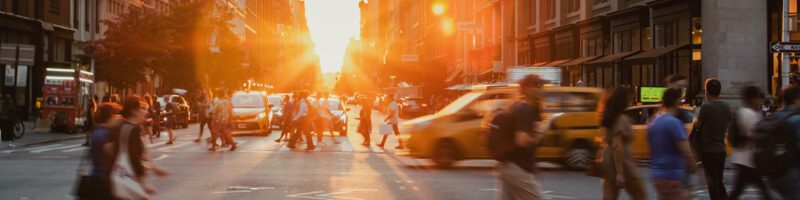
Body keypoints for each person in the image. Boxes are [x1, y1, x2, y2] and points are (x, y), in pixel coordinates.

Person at [495, 74, 546, 200]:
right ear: (527, 89)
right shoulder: (524, 109)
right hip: (518, 168)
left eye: (541, 85)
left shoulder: (516, 105)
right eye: (537, 85)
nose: (541, 89)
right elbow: (522, 140)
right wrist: (538, 139)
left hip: (507, 166)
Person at [647, 88, 699, 200]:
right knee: (686, 196)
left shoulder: (654, 121)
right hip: (672, 175)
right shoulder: (674, 123)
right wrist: (695, 166)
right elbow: (686, 150)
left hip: (657, 175)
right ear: (677, 101)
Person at [598, 88, 646, 200]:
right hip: (623, 163)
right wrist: (620, 173)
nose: (631, 100)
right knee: (640, 196)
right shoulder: (621, 119)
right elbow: (617, 146)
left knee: (609, 197)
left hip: (609, 161)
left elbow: (607, 141)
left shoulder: (609, 118)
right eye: (630, 98)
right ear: (622, 100)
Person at [115, 96, 169, 197]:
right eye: (143, 108)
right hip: (130, 178)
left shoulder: (121, 125)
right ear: (134, 110)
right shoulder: (133, 130)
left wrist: (155, 169)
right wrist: (143, 181)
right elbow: (134, 157)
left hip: (122, 177)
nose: (145, 112)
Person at [727, 86, 771, 200]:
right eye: (757, 98)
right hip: (748, 160)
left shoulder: (742, 111)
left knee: (739, 191)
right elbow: (755, 134)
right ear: (752, 98)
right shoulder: (750, 114)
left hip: (743, 158)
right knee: (763, 191)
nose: (759, 101)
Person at [694, 78, 731, 200]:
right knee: (719, 180)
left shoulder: (706, 107)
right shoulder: (726, 107)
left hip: (708, 150)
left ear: (706, 91)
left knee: (712, 183)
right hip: (721, 149)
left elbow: (697, 125)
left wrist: (696, 115)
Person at [79, 103, 122, 200]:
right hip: (103, 180)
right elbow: (112, 153)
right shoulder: (104, 134)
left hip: (99, 177)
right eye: (115, 115)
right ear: (109, 116)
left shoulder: (98, 130)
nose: (118, 118)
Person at [767, 86, 800, 199]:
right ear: (796, 100)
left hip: (773, 172)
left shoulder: (774, 116)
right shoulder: (796, 119)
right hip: (791, 171)